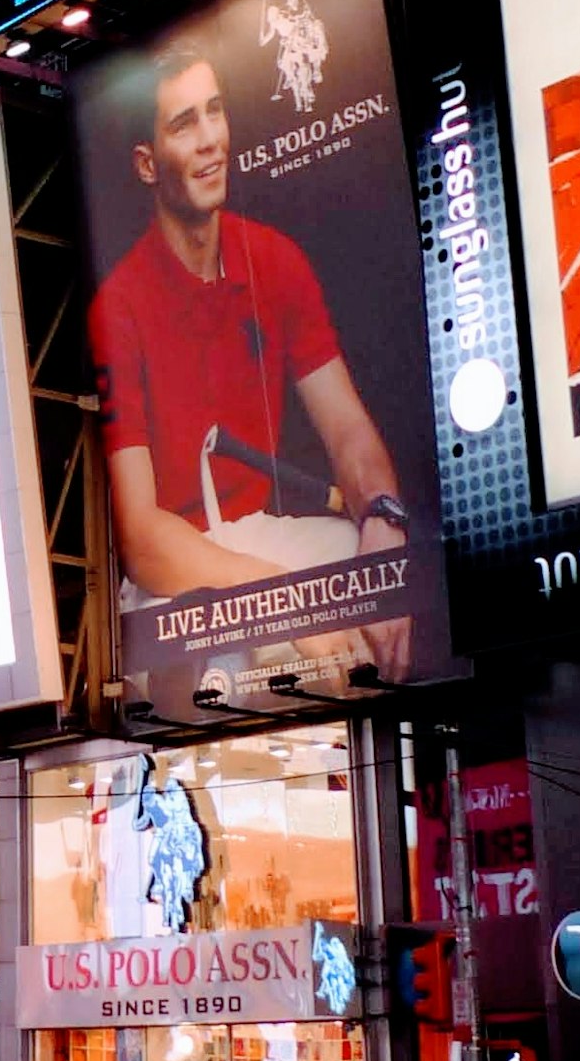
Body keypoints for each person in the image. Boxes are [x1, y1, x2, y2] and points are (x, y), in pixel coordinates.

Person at [91, 40, 407, 635]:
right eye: (185, 124)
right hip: (178, 569)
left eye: (216, 110)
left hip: (265, 542)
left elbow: (346, 428)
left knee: (379, 569)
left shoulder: (274, 259)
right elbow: (142, 537)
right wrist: (286, 607)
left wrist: (384, 524)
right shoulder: (118, 306)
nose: (211, 139)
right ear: (147, 164)